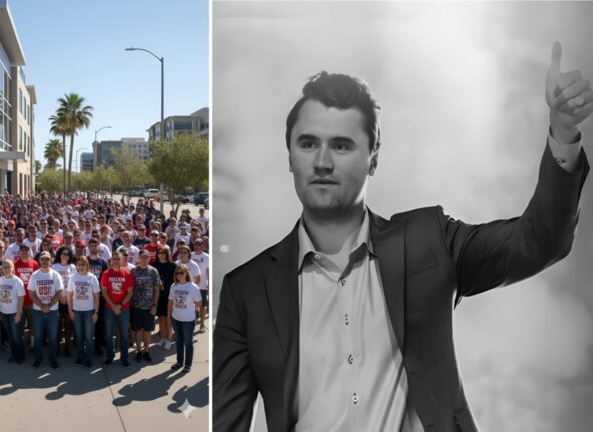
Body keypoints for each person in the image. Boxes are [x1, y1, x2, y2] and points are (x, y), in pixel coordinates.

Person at [213, 49, 591, 431]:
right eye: (308, 144)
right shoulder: (245, 291)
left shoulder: (429, 242)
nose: (322, 161)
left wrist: (563, 130)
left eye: (342, 145)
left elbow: (540, 241)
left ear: (373, 158)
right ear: (290, 156)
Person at [27, 251, 64, 369]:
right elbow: (31, 294)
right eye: (42, 259)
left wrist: (49, 305)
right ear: (39, 261)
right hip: (38, 310)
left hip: (53, 310)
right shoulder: (35, 275)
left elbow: (59, 293)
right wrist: (42, 305)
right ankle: (38, 358)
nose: (44, 261)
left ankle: (52, 359)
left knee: (53, 337)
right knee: (38, 337)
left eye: (47, 259)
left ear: (51, 260)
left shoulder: (55, 275)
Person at [100, 251, 134, 368]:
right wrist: (113, 306)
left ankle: (124, 357)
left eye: (118, 259)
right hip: (109, 308)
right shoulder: (106, 274)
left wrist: (120, 305)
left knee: (124, 334)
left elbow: (130, 292)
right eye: (114, 259)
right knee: (109, 334)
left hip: (123, 309)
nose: (115, 261)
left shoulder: (127, 274)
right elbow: (104, 291)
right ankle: (110, 356)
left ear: (122, 260)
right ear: (111, 260)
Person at [168, 264, 201, 373]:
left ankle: (188, 364)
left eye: (182, 272)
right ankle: (179, 362)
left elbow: (199, 303)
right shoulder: (174, 285)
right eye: (177, 273)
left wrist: (191, 309)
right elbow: (170, 301)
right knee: (179, 341)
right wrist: (169, 317)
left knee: (188, 342)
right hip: (176, 318)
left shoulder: (193, 287)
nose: (179, 275)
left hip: (188, 320)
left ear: (187, 273)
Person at [67, 256, 100, 368]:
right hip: (76, 311)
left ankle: (88, 359)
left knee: (89, 337)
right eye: (79, 264)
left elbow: (96, 296)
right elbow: (69, 296)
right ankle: (80, 357)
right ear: (76, 266)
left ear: (87, 266)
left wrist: (96, 313)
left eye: (83, 264)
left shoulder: (92, 278)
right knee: (79, 336)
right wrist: (70, 311)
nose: (81, 267)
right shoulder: (73, 278)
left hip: (89, 311)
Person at [130, 250, 161, 363]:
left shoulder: (153, 271)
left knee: (147, 331)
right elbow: (129, 289)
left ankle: (146, 351)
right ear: (138, 258)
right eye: (142, 257)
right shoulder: (133, 271)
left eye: (146, 257)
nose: (144, 259)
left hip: (149, 307)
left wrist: (155, 305)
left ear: (148, 258)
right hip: (136, 306)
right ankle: (139, 351)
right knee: (137, 330)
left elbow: (157, 290)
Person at [0, 259, 25, 364]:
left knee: (16, 336)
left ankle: (20, 355)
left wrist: (18, 313)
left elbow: (21, 298)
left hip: (14, 312)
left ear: (12, 268)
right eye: (4, 267)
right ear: (2, 269)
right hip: (4, 313)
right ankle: (14, 354)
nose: (7, 269)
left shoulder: (17, 281)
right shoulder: (0, 280)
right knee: (10, 336)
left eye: (9, 267)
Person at [51, 245, 76, 357]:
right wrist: (59, 297)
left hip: (69, 300)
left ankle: (67, 347)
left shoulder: (73, 267)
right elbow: (51, 284)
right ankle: (55, 347)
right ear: (59, 254)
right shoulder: (54, 266)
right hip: (57, 299)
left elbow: (75, 284)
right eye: (63, 253)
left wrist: (68, 298)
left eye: (67, 254)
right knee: (57, 325)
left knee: (68, 324)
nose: (65, 256)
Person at [14, 244, 39, 349]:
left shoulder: (35, 264)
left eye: (26, 250)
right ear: (19, 252)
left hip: (32, 300)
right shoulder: (15, 264)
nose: (24, 252)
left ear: (29, 252)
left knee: (33, 324)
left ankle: (33, 344)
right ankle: (20, 345)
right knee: (20, 324)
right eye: (22, 250)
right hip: (19, 301)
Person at [153, 246, 176, 349]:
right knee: (161, 318)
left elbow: (176, 281)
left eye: (163, 253)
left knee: (168, 319)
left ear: (167, 254)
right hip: (159, 295)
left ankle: (168, 340)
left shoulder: (172, 265)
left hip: (169, 295)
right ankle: (163, 337)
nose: (161, 255)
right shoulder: (154, 265)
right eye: (159, 253)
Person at [190, 238, 210, 333]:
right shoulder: (190, 255)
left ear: (203, 246)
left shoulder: (207, 257)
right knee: (191, 306)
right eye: (195, 244)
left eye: (199, 244)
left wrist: (209, 284)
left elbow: (208, 271)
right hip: (191, 285)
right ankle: (192, 324)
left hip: (202, 286)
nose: (197, 246)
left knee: (202, 306)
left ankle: (202, 324)